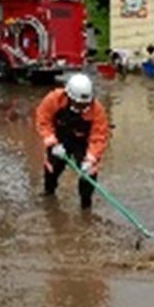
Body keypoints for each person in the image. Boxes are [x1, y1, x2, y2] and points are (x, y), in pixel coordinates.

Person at [36, 73, 109, 209]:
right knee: (52, 167)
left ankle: (86, 206)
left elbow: (99, 137)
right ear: (69, 96)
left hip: (83, 142)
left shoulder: (97, 110)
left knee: (89, 174)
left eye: (85, 104)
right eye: (78, 104)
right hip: (59, 138)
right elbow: (43, 120)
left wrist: (90, 159)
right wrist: (51, 141)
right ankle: (49, 194)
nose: (82, 107)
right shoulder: (54, 99)